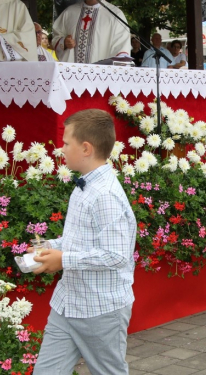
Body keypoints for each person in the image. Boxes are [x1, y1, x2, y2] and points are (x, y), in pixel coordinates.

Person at [32, 109, 136, 374]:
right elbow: (79, 239)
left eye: (67, 143)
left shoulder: (105, 195)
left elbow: (116, 255)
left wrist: (62, 260)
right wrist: (51, 248)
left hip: (101, 310)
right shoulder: (85, 186)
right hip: (68, 303)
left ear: (86, 148)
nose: (62, 148)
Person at [52, 0, 130, 64]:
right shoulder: (69, 12)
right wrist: (64, 42)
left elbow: (121, 47)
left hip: (101, 76)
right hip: (71, 74)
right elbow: (56, 36)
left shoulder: (116, 15)